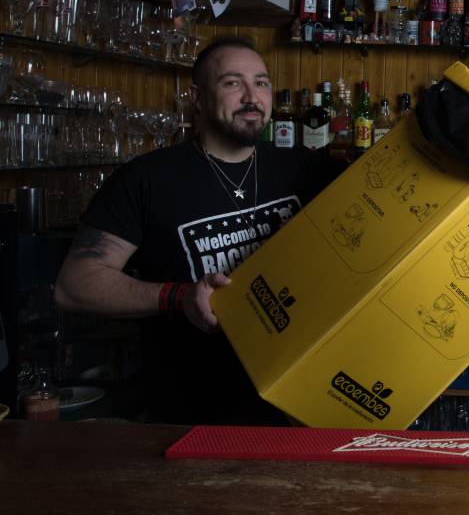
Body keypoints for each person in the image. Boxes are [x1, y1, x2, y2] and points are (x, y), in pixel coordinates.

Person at [55, 37, 343, 425]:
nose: (251, 96)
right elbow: (75, 285)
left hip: (295, 410)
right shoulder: (146, 179)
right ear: (198, 97)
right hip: (188, 415)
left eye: (261, 83)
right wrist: (179, 296)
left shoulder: (305, 169)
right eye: (231, 83)